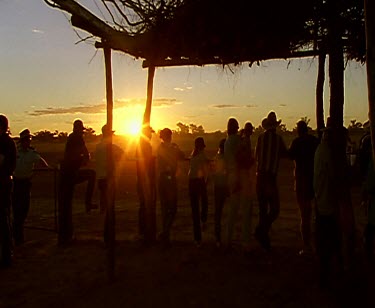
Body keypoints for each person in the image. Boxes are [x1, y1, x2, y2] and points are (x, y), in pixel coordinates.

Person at [58, 119, 96, 245]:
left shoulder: (72, 137)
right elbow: (85, 153)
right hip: (70, 173)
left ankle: (65, 235)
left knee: (65, 204)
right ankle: (88, 203)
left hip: (67, 172)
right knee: (92, 175)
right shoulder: (77, 138)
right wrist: (84, 159)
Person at [254, 111, 288, 251]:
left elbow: (256, 156)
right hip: (270, 177)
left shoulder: (260, 138)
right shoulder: (278, 139)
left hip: (260, 176)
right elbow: (285, 154)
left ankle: (263, 238)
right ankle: (261, 232)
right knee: (274, 209)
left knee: (263, 209)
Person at [314, 126, 342, 288]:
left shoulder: (321, 150)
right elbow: (332, 175)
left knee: (324, 236)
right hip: (326, 201)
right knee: (329, 236)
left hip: (321, 198)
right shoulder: (326, 153)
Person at [12, 129, 50, 245]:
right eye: (26, 140)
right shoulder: (16, 152)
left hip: (25, 183)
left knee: (24, 209)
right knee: (16, 209)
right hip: (16, 183)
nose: (27, 142)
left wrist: (46, 168)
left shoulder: (31, 153)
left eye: (29, 140)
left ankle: (17, 233)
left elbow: (41, 162)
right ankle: (17, 236)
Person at [288, 120, 318, 255]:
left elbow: (289, 156)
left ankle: (307, 245)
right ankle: (319, 243)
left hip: (302, 181)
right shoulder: (315, 141)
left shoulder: (297, 142)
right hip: (315, 180)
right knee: (318, 213)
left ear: (298, 130)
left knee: (305, 216)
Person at [95, 124, 124, 243]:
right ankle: (108, 236)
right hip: (108, 178)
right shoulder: (110, 147)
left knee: (105, 206)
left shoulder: (98, 147)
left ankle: (106, 235)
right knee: (109, 207)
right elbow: (122, 153)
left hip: (100, 178)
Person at [156, 128, 184, 248]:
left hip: (162, 179)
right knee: (172, 208)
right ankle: (164, 233)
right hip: (169, 179)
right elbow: (181, 155)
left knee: (165, 208)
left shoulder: (160, 148)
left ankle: (165, 237)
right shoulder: (172, 148)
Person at [0, 115, 17, 267]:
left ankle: (7, 254)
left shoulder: (6, 143)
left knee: (4, 217)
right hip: (4, 182)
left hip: (4, 184)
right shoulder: (7, 142)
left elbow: (6, 163)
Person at [136, 125, 156, 245]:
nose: (151, 134)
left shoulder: (141, 144)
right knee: (145, 205)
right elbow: (147, 161)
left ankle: (143, 232)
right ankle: (145, 232)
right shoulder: (145, 145)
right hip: (146, 179)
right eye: (150, 132)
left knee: (143, 205)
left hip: (142, 179)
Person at [224, 117, 242, 251]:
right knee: (237, 209)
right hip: (237, 174)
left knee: (233, 208)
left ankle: (229, 238)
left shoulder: (227, 141)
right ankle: (230, 239)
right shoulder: (236, 140)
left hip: (230, 174)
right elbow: (240, 157)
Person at [237, 121, 256, 254]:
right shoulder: (245, 142)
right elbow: (243, 159)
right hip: (245, 175)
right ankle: (245, 240)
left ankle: (246, 239)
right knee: (247, 208)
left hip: (244, 175)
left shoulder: (244, 140)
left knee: (247, 208)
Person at [188, 137, 210, 247]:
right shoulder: (202, 155)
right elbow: (207, 166)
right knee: (204, 202)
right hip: (199, 181)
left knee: (195, 209)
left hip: (191, 181)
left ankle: (197, 239)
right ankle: (204, 220)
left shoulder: (193, 155)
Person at [213, 138, 227, 247]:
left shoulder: (217, 157)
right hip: (225, 186)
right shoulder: (226, 158)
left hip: (218, 186)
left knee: (218, 212)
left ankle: (218, 237)